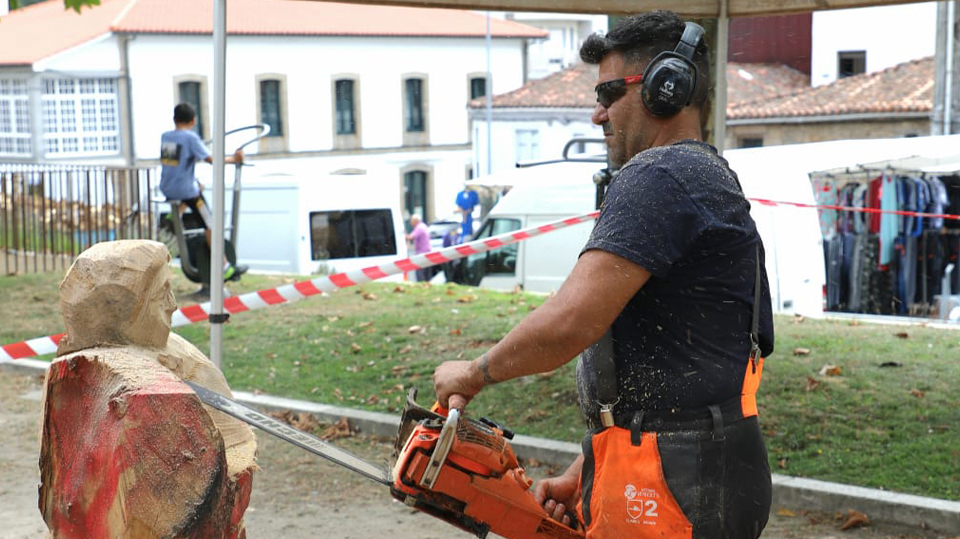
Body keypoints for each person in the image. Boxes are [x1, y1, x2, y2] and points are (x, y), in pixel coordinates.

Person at [433, 11, 774, 539]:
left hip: (677, 482)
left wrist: (473, 374)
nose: (597, 115)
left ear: (667, 87)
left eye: (609, 93)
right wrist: (590, 466)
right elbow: (685, 364)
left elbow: (571, 321)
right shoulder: (703, 174)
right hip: (697, 463)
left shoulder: (660, 174)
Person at [159, 103, 246, 281]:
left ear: (174, 119)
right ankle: (224, 266)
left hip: (168, 187)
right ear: (193, 120)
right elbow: (211, 159)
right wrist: (235, 159)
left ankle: (177, 213)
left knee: (199, 185)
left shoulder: (166, 136)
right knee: (210, 222)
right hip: (185, 191)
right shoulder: (190, 138)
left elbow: (175, 163)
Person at [405, 214, 431, 282]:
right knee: (427, 274)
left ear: (415, 221)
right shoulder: (424, 226)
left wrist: (403, 234)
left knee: (420, 274)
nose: (410, 223)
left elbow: (410, 237)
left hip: (422, 254)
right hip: (427, 253)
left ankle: (422, 285)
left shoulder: (419, 228)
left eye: (411, 221)